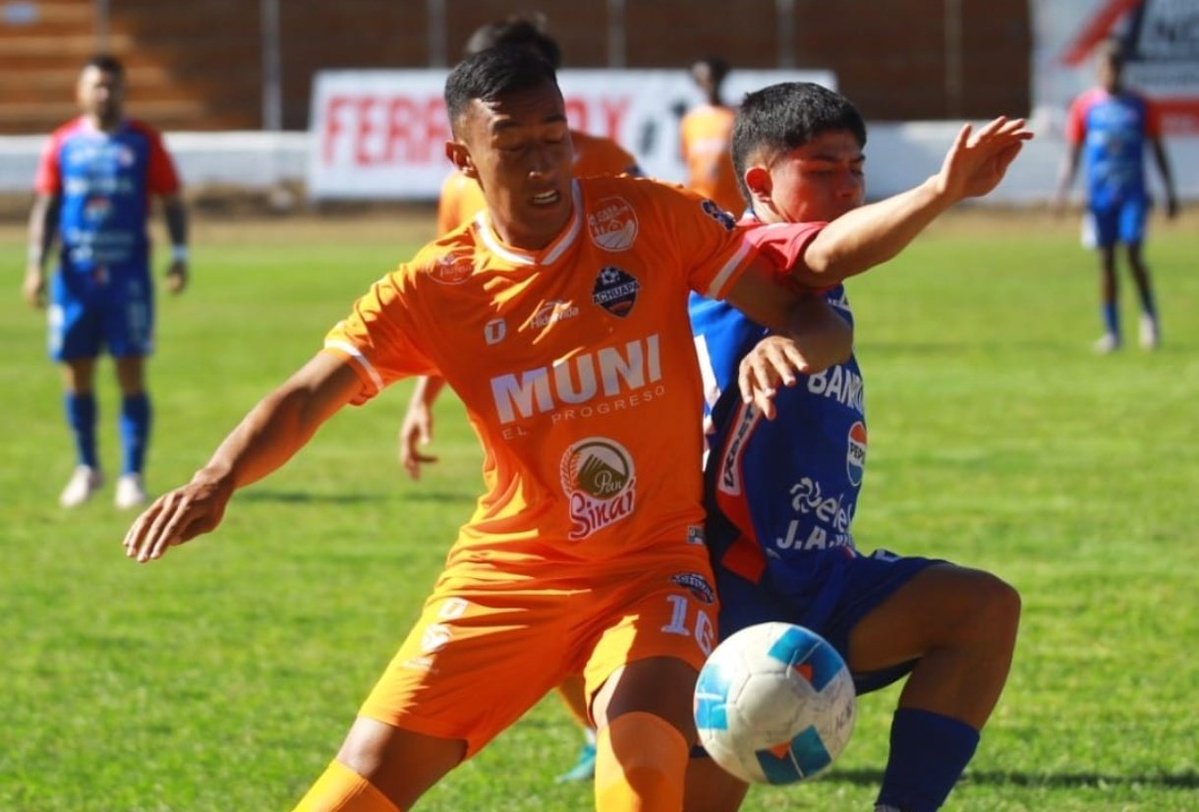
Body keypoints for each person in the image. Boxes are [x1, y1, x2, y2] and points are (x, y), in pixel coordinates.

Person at [123, 45, 854, 812]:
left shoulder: (648, 217)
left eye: (554, 137)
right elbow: (308, 395)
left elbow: (814, 315)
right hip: (509, 576)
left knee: (640, 773)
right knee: (357, 784)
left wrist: (792, 344)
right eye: (513, 146)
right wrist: (218, 478)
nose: (543, 164)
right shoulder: (434, 286)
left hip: (652, 567)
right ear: (462, 158)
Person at [684, 83, 1027, 812]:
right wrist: (939, 192)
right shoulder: (748, 251)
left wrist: (802, 343)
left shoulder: (808, 286)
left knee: (981, 609)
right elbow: (827, 252)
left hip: (820, 578)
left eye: (856, 168)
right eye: (821, 170)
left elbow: (829, 325)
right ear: (760, 183)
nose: (846, 186)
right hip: (736, 591)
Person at [405, 14, 644, 783]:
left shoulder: (610, 167)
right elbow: (450, 296)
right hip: (523, 414)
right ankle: (596, 728)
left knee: (631, 572)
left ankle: (652, 716)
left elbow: (656, 267)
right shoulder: (459, 187)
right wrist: (422, 396)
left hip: (619, 395)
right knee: (541, 580)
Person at [24, 53, 189, 510]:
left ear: (123, 91)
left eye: (111, 85)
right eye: (95, 85)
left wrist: (179, 255)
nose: (103, 93)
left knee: (130, 371)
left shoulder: (143, 142)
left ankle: (132, 475)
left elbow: (172, 200)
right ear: (80, 92)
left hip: (128, 277)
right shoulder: (63, 143)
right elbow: (47, 207)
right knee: (76, 371)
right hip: (76, 278)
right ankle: (88, 467)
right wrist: (35, 266)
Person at [1054, 38, 1179, 354]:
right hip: (1100, 197)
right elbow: (1073, 153)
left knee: (1134, 253)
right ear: (1098, 71)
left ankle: (1149, 318)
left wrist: (1170, 191)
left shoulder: (1140, 105)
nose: (1110, 73)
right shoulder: (1086, 106)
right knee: (1107, 260)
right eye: (1105, 68)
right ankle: (1112, 331)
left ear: (1123, 70)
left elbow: (1157, 149)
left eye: (1115, 68)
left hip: (1133, 193)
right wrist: (1062, 191)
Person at [679, 57, 742, 215]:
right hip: (700, 205)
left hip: (733, 206)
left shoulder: (736, 117)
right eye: (703, 79)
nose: (710, 84)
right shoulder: (691, 120)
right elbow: (687, 159)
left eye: (713, 78)